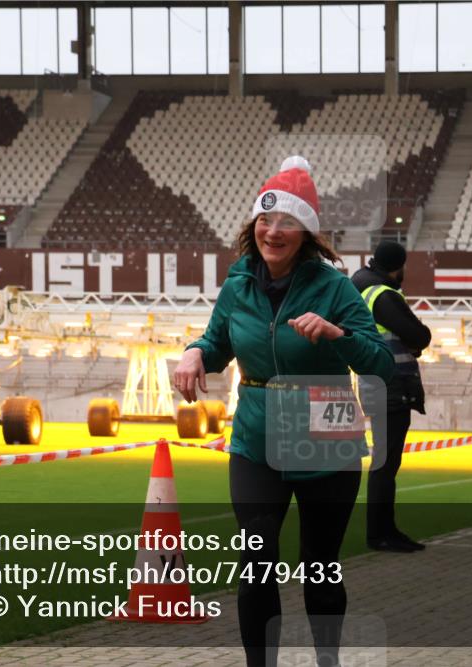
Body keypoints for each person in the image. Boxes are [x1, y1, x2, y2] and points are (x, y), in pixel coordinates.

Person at [174, 156, 394, 667]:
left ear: (307, 233)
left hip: (327, 436)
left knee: (319, 567)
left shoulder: (335, 288)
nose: (274, 231)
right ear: (254, 226)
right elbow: (215, 343)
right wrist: (193, 352)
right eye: (266, 220)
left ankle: (327, 661)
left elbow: (381, 362)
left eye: (288, 222)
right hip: (256, 441)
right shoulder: (237, 286)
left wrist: (338, 335)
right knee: (256, 564)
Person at [351, 241, 432, 553]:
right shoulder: (382, 293)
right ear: (398, 265)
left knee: (385, 461)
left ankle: (385, 529)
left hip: (378, 381)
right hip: (391, 384)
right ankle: (381, 533)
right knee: (386, 462)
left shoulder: (361, 284)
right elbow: (419, 334)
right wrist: (417, 341)